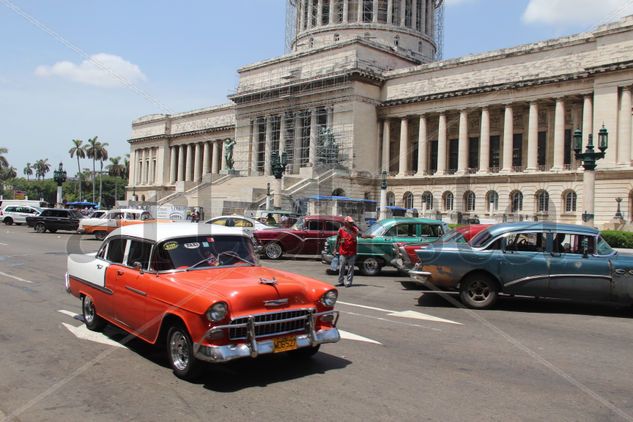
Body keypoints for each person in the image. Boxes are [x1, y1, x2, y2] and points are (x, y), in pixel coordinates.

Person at [335, 216, 362, 288]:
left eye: (352, 222)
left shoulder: (355, 229)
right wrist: (335, 249)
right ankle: (341, 281)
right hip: (343, 252)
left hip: (352, 252)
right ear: (346, 223)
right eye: (350, 222)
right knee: (342, 267)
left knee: (351, 267)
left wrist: (369, 236)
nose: (352, 223)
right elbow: (338, 239)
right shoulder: (341, 230)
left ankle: (349, 282)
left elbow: (361, 235)